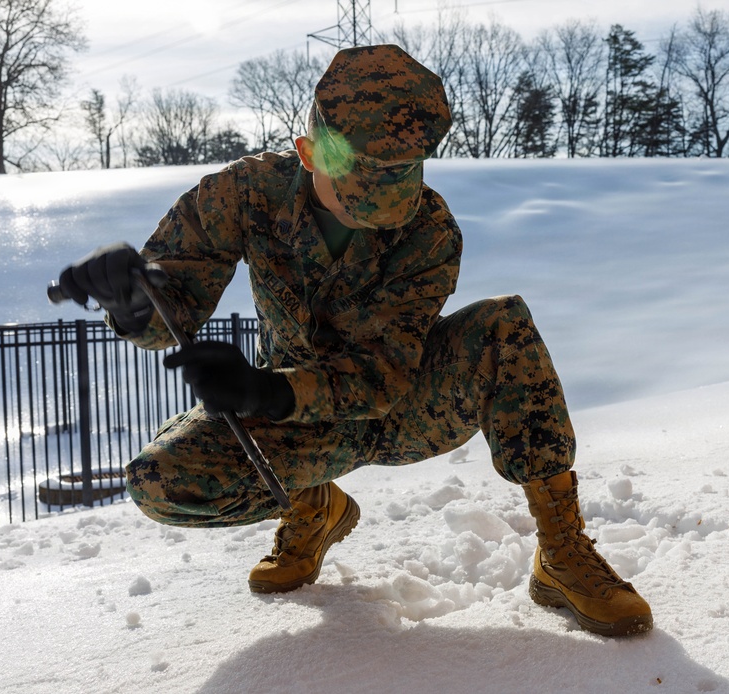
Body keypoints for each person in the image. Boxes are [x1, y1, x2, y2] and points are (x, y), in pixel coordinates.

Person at [56, 44, 653, 637]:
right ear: (309, 154)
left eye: (392, 201)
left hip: (400, 409)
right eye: (356, 200)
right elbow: (171, 310)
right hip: (297, 421)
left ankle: (560, 550)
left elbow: (384, 375)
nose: (373, 218)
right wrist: (133, 299)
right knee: (158, 482)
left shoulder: (431, 228)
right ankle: (313, 509)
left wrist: (266, 391)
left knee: (504, 328)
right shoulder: (242, 194)